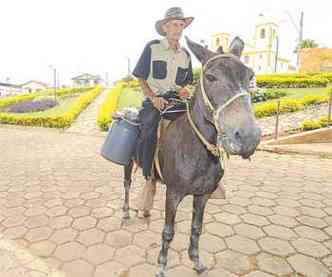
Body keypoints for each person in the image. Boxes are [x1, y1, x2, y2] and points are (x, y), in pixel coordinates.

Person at [133, 7, 225, 216]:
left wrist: (185, 90)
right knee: (148, 133)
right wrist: (153, 98)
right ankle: (149, 180)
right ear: (165, 27)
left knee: (206, 126)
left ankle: (213, 178)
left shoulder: (185, 54)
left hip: (178, 102)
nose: (178, 28)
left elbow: (187, 83)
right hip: (155, 101)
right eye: (174, 24)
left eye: (181, 24)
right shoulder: (153, 48)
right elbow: (140, 76)